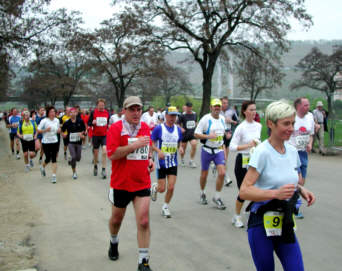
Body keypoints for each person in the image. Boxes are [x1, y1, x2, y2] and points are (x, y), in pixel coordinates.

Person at [240, 100, 315, 271]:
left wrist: (301, 189)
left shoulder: (292, 151)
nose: (291, 128)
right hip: (261, 223)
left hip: (285, 221)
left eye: (293, 123)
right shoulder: (262, 152)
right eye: (286, 123)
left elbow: (288, 180)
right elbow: (244, 191)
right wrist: (275, 194)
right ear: (270, 124)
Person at [106, 96, 155, 271]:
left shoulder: (145, 127)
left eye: (138, 109)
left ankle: (143, 261)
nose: (136, 113)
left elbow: (147, 150)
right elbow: (112, 154)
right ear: (124, 111)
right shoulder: (115, 128)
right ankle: (113, 240)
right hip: (121, 183)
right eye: (132, 109)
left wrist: (150, 159)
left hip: (142, 182)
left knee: (143, 221)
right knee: (116, 219)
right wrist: (134, 146)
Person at [229, 101, 262, 228]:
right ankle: (236, 216)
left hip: (255, 161)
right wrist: (248, 145)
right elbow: (232, 147)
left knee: (256, 189)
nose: (254, 112)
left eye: (255, 109)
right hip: (243, 160)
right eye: (251, 110)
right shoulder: (241, 127)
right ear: (244, 111)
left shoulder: (258, 126)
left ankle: (250, 213)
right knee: (244, 192)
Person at [194, 98, 229, 209]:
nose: (217, 108)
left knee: (222, 173)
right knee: (204, 174)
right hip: (207, 150)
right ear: (211, 108)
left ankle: (217, 197)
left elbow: (222, 136)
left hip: (218, 150)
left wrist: (224, 149)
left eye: (218, 106)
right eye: (215, 106)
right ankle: (202, 192)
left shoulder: (223, 119)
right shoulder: (206, 119)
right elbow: (196, 134)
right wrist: (208, 136)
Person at [150, 106, 183, 218]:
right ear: (166, 115)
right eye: (171, 115)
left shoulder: (178, 129)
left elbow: (178, 143)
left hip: (173, 162)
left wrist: (180, 148)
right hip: (161, 163)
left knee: (171, 187)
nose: (173, 118)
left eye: (175, 116)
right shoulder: (159, 128)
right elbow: (151, 143)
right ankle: (155, 187)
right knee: (162, 189)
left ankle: (165, 207)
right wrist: (158, 151)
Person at [288, 97, 315, 219]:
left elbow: (311, 134)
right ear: (298, 106)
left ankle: (292, 201)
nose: (308, 107)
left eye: (308, 105)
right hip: (292, 151)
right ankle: (295, 206)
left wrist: (309, 143)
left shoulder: (310, 117)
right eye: (305, 105)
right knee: (297, 180)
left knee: (302, 181)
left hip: (303, 152)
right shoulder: (292, 116)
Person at [38, 106, 61, 183]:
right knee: (48, 158)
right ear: (48, 113)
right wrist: (45, 130)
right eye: (51, 112)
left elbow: (58, 129)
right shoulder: (44, 121)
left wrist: (59, 130)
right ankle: (42, 167)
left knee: (54, 158)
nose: (53, 113)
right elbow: (38, 130)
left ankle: (54, 176)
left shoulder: (57, 120)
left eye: (54, 112)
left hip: (54, 141)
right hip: (46, 142)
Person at [62, 108, 86, 179]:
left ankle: (71, 160)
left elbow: (84, 130)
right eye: (71, 112)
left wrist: (82, 134)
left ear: (76, 113)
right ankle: (74, 172)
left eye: (74, 112)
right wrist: (63, 134)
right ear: (69, 114)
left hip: (78, 142)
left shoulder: (80, 121)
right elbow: (62, 130)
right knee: (74, 157)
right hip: (70, 142)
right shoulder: (67, 122)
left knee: (78, 158)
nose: (72, 114)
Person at [88, 99, 110, 179]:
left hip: (104, 135)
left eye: (103, 105)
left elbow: (108, 123)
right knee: (96, 153)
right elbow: (89, 123)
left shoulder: (107, 113)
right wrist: (92, 122)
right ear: (97, 105)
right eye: (100, 105)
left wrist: (109, 126)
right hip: (96, 135)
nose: (101, 106)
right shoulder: (93, 113)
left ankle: (103, 170)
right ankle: (95, 166)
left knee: (104, 151)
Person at [221, 96, 238, 186]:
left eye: (226, 103)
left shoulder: (232, 112)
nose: (225, 104)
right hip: (220, 136)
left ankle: (216, 165)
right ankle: (226, 177)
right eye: (224, 103)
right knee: (223, 158)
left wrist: (230, 121)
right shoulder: (216, 111)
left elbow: (237, 122)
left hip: (228, 135)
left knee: (225, 159)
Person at [178, 102, 198, 168]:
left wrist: (197, 127)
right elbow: (178, 124)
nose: (189, 108)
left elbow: (195, 122)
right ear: (186, 107)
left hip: (192, 134)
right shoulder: (182, 115)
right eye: (188, 107)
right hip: (185, 134)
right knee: (183, 148)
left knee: (194, 145)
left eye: (190, 107)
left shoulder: (195, 114)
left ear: (192, 107)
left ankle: (191, 161)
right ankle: (182, 159)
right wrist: (181, 128)